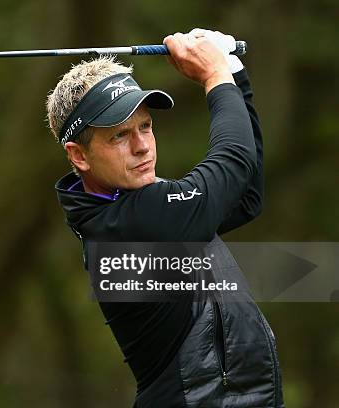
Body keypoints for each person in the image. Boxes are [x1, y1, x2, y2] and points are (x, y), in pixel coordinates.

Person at [47, 29, 285, 407]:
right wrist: (215, 77)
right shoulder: (129, 227)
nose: (142, 146)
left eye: (146, 126)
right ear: (79, 156)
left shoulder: (137, 209)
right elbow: (233, 161)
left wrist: (234, 73)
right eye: (120, 136)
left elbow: (246, 195)